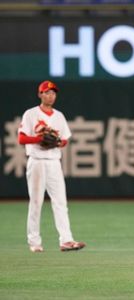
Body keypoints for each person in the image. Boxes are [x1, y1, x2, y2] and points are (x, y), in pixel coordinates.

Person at [18, 80, 86, 253]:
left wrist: (56, 142)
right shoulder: (30, 114)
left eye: (53, 93)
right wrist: (39, 139)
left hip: (54, 162)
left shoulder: (59, 116)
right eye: (47, 92)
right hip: (37, 161)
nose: (51, 96)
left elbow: (64, 140)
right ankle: (34, 242)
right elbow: (22, 138)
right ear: (40, 94)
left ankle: (66, 240)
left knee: (61, 202)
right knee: (36, 202)